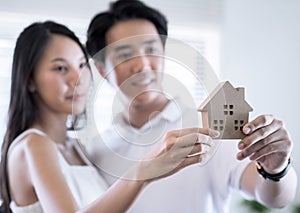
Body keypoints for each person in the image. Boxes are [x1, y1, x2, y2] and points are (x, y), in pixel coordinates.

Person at [85, 0, 298, 212]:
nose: (142, 64)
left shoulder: (209, 127)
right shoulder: (97, 150)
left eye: (151, 49)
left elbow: (271, 196)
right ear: (102, 69)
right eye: (124, 55)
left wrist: (276, 170)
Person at [0, 20, 216, 213]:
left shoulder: (79, 149)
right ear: (30, 80)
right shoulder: (34, 144)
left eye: (82, 65)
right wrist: (143, 171)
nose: (78, 79)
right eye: (60, 68)